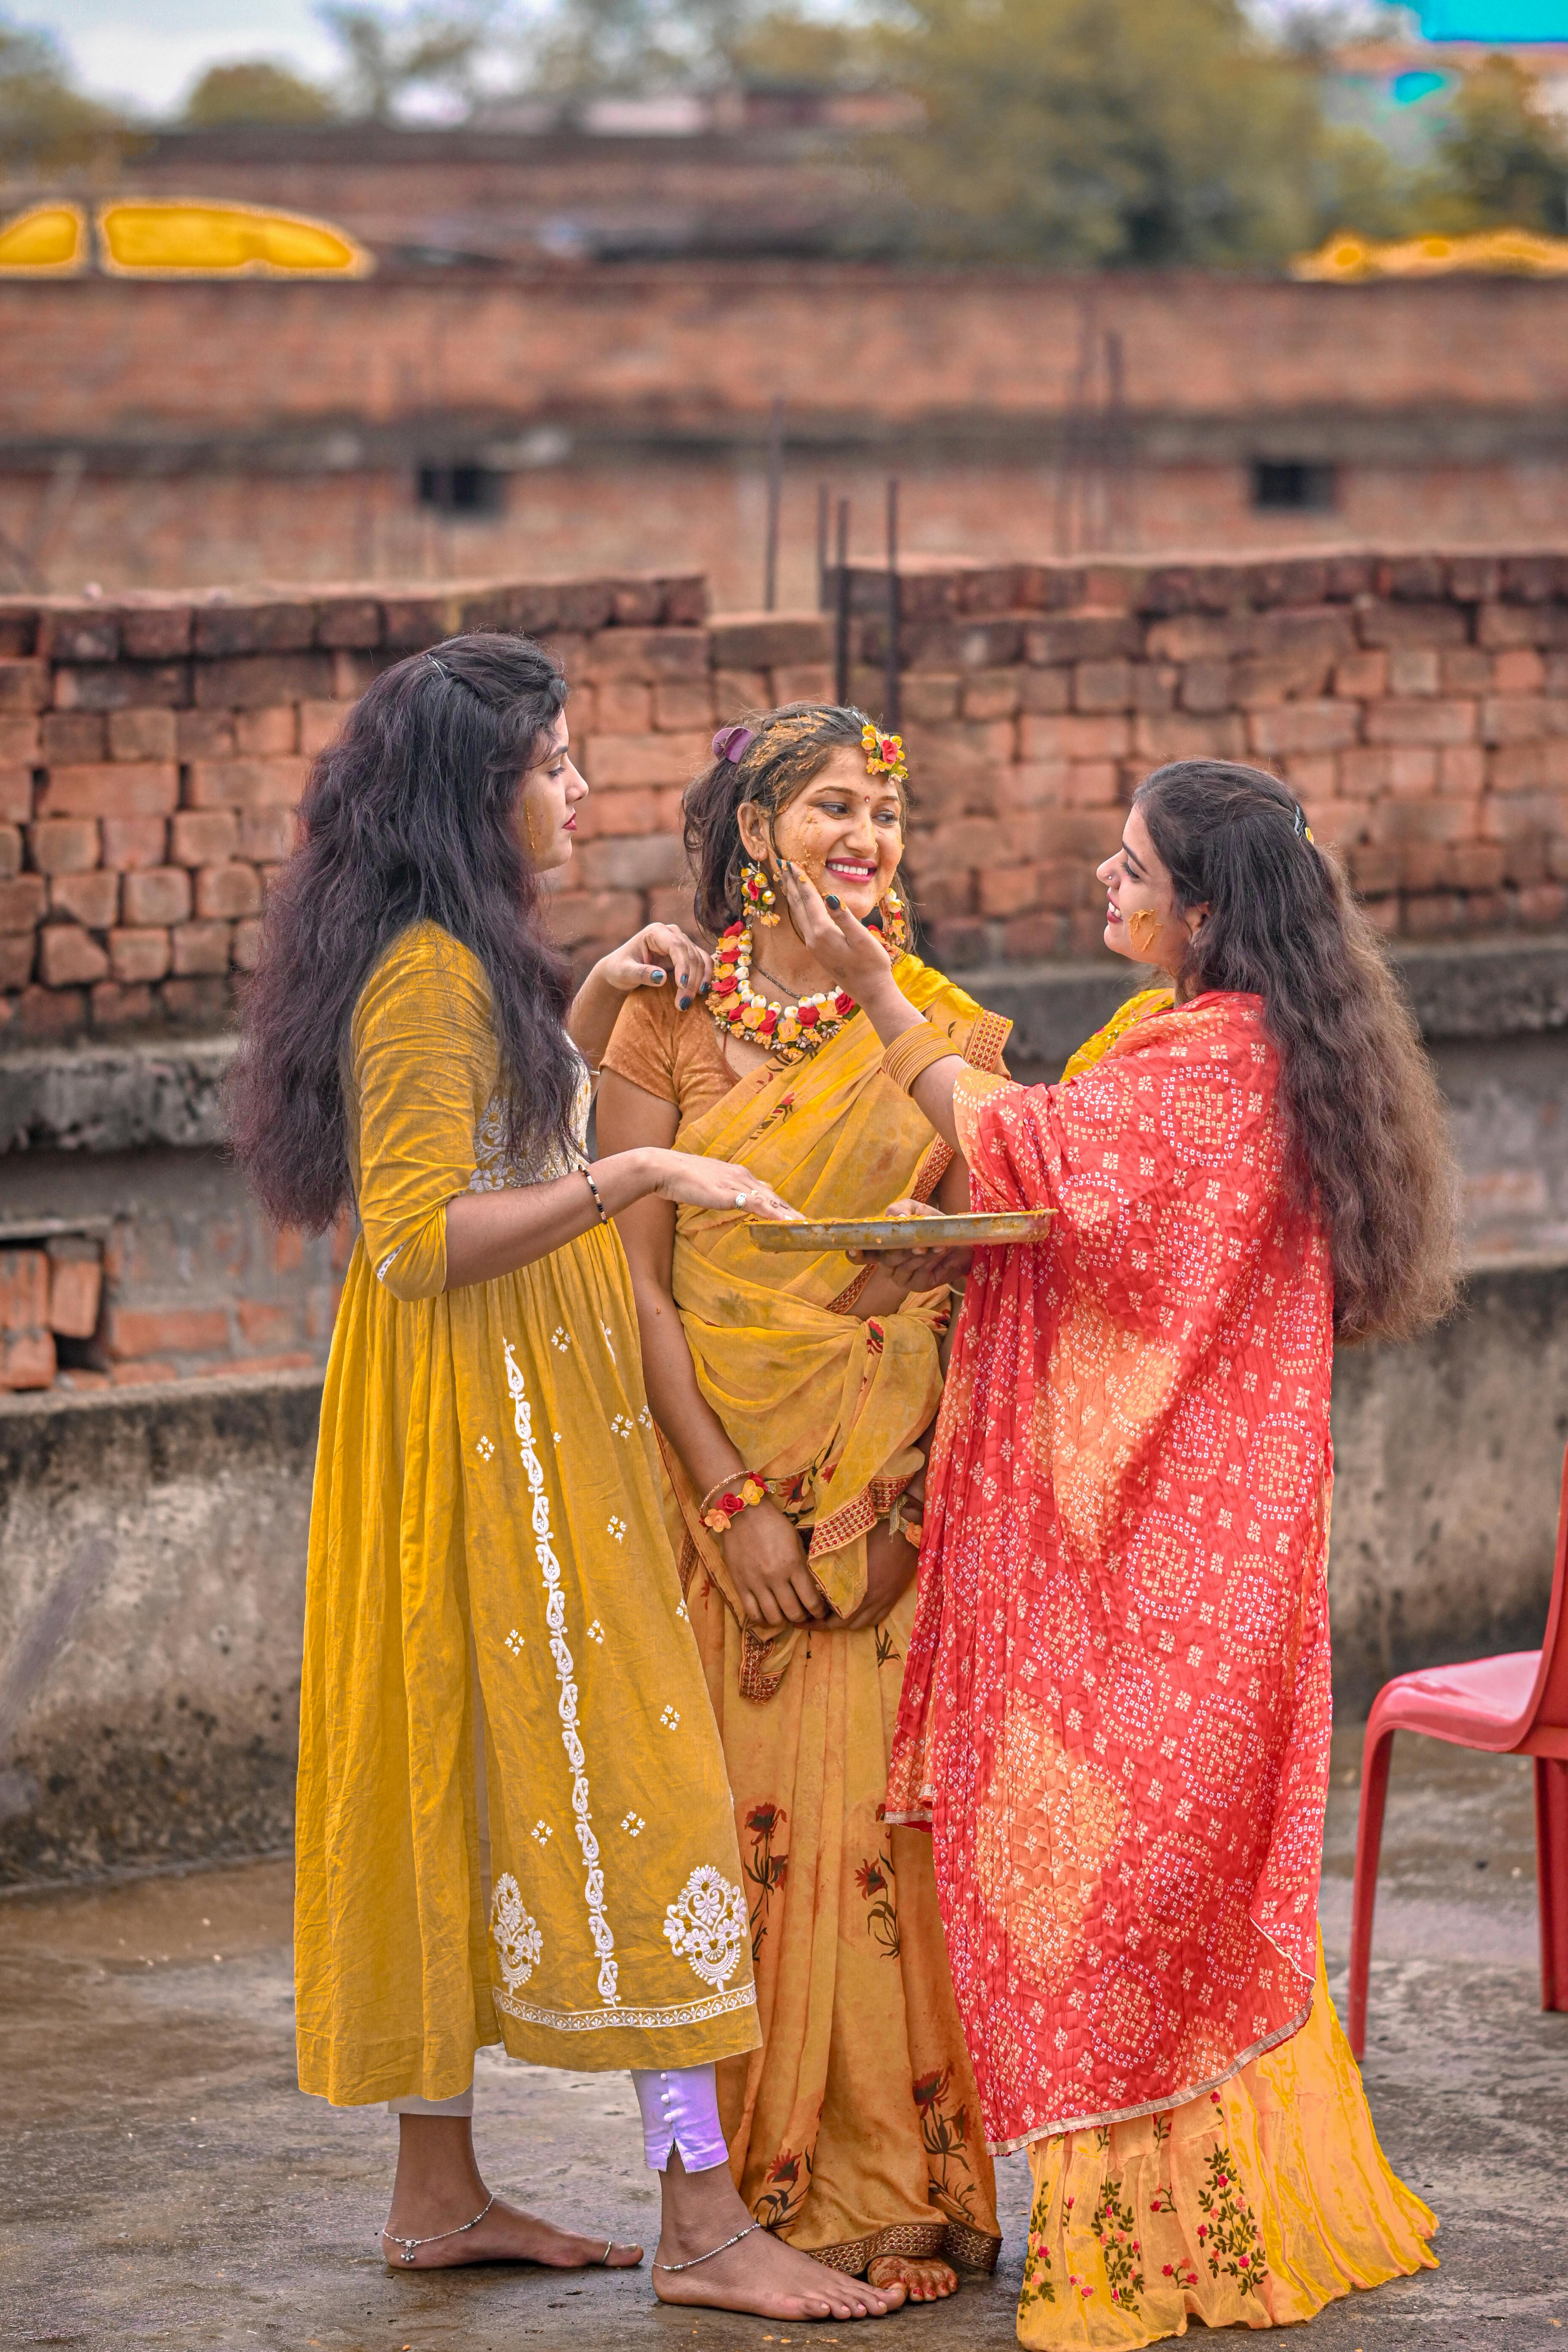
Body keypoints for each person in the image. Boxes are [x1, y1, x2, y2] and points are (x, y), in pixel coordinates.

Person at [227, 635, 905, 2325]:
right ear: (482, 790)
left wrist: (596, 1004)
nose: (582, 793)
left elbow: (497, 1148)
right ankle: (698, 2219)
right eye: (558, 766)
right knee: (644, 1798)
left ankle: (439, 2196)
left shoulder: (455, 958)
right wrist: (647, 1170)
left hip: (492, 1423)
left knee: (455, 1777)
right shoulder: (426, 977)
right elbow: (417, 1239)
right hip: (496, 1443)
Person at [777, 757, 1458, 2345]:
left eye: (1132, 865)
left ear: (1204, 913)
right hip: (1196, 1533)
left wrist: (879, 989)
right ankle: (1212, 2222)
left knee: (1114, 1885)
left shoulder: (1217, 1061)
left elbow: (1024, 1150)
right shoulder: (1237, 1043)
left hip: (1163, 1554)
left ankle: (1165, 2250)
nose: (1105, 876)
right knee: (1155, 1883)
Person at [594, 705, 1004, 2300]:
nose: (869, 837)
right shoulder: (666, 1028)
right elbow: (636, 1297)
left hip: (889, 1532)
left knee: (881, 1861)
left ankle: (899, 2192)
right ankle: (721, 2211)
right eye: (834, 805)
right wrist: (732, 1499)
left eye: (885, 812)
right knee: (723, 1862)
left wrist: (893, 1516)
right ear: (757, 829)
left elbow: (967, 1297)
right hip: (723, 1522)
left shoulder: (943, 1039)